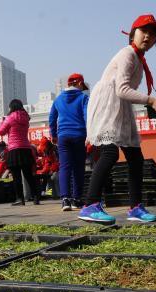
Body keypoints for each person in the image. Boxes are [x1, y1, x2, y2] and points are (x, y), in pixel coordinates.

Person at [79, 14, 156, 224]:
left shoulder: (138, 58)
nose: (148, 36)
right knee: (109, 152)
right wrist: (151, 100)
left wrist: (153, 102)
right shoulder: (128, 54)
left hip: (120, 106)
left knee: (135, 157)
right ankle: (90, 205)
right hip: (109, 104)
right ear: (132, 34)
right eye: (144, 31)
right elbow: (122, 89)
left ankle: (135, 208)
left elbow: (125, 92)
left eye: (153, 34)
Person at [49, 73, 89, 211]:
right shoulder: (83, 98)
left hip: (63, 136)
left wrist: (53, 134)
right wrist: (89, 133)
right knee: (78, 168)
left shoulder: (58, 99)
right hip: (79, 135)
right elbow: (86, 116)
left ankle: (65, 200)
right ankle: (76, 199)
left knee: (64, 167)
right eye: (82, 85)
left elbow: (52, 118)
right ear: (79, 83)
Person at [0, 99, 40, 205]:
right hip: (26, 148)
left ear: (12, 107)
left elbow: (1, 132)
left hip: (14, 149)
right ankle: (36, 197)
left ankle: (19, 199)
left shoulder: (9, 118)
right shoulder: (26, 117)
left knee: (16, 176)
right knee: (28, 175)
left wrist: (2, 121)